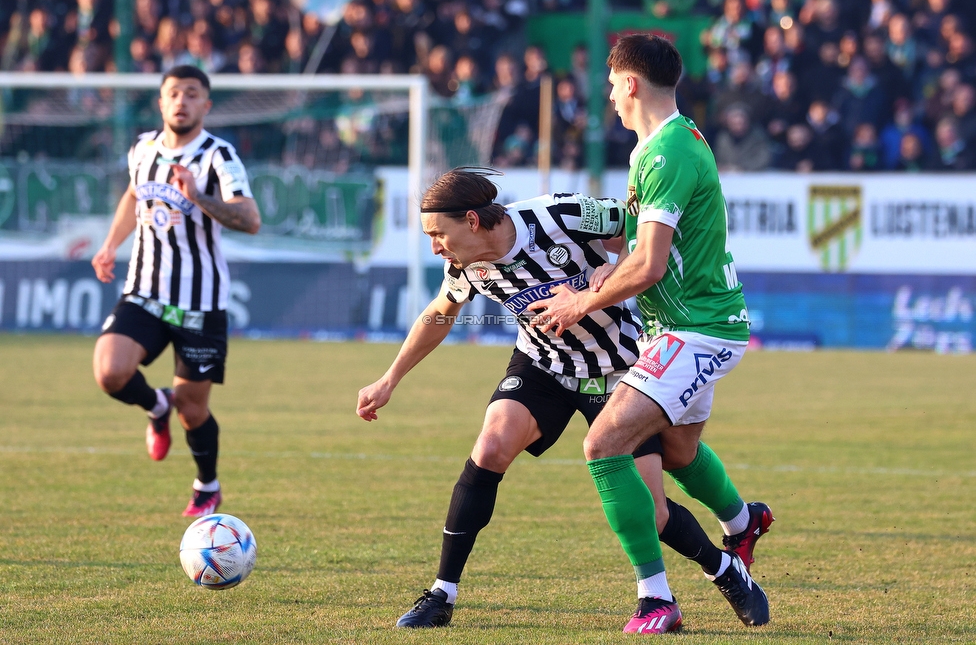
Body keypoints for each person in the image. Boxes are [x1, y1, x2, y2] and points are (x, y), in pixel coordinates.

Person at [356, 167, 768, 630]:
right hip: (544, 366)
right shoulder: (465, 264)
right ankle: (441, 594)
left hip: (620, 366)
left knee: (654, 507)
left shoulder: (560, 214)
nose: (434, 245)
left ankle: (724, 568)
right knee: (490, 447)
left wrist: (619, 262)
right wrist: (389, 379)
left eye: (438, 233)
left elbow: (639, 226)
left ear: (471, 220)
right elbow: (439, 312)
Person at [529, 34, 771, 634]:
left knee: (603, 443)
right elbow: (636, 251)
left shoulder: (666, 155)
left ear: (631, 83)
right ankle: (743, 523)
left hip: (695, 329)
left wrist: (581, 303)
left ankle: (655, 598)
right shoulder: (659, 148)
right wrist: (593, 269)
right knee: (679, 452)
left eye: (612, 84)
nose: (609, 96)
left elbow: (651, 267)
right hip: (691, 325)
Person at [90, 65, 261, 518]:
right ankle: (154, 403)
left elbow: (250, 219)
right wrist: (110, 245)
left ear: (206, 104)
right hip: (143, 291)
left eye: (192, 93)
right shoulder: (143, 148)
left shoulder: (219, 155)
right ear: (161, 103)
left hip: (200, 303)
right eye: (173, 93)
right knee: (109, 372)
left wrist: (198, 196)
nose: (181, 101)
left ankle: (207, 484)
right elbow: (133, 196)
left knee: (193, 408)